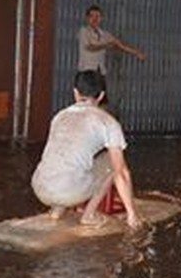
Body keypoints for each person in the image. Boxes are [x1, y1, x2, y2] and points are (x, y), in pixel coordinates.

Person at [31, 70, 142, 229]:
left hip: (39, 187)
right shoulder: (107, 122)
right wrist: (132, 214)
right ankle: (88, 215)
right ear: (102, 95)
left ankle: (56, 212)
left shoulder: (59, 116)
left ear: (75, 92)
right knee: (112, 162)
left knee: (69, 161)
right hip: (69, 191)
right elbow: (121, 173)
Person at [77, 4, 146, 77]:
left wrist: (137, 52)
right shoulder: (83, 31)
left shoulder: (105, 35)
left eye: (97, 16)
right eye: (92, 16)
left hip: (99, 72)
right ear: (87, 18)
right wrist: (107, 45)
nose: (95, 19)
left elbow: (120, 45)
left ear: (101, 18)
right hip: (85, 73)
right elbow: (90, 47)